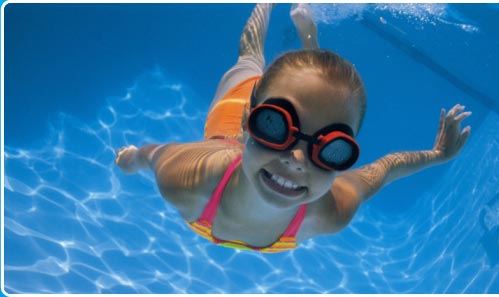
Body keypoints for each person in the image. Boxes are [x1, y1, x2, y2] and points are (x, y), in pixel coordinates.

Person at [115, 4, 471, 253]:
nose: (299, 159)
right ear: (248, 121)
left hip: (259, 113)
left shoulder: (331, 212)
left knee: (311, 91)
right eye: (274, 126)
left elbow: (386, 167)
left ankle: (307, 51)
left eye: (330, 148)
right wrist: (133, 158)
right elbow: (154, 155)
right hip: (227, 121)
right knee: (250, 59)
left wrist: (438, 156)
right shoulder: (187, 178)